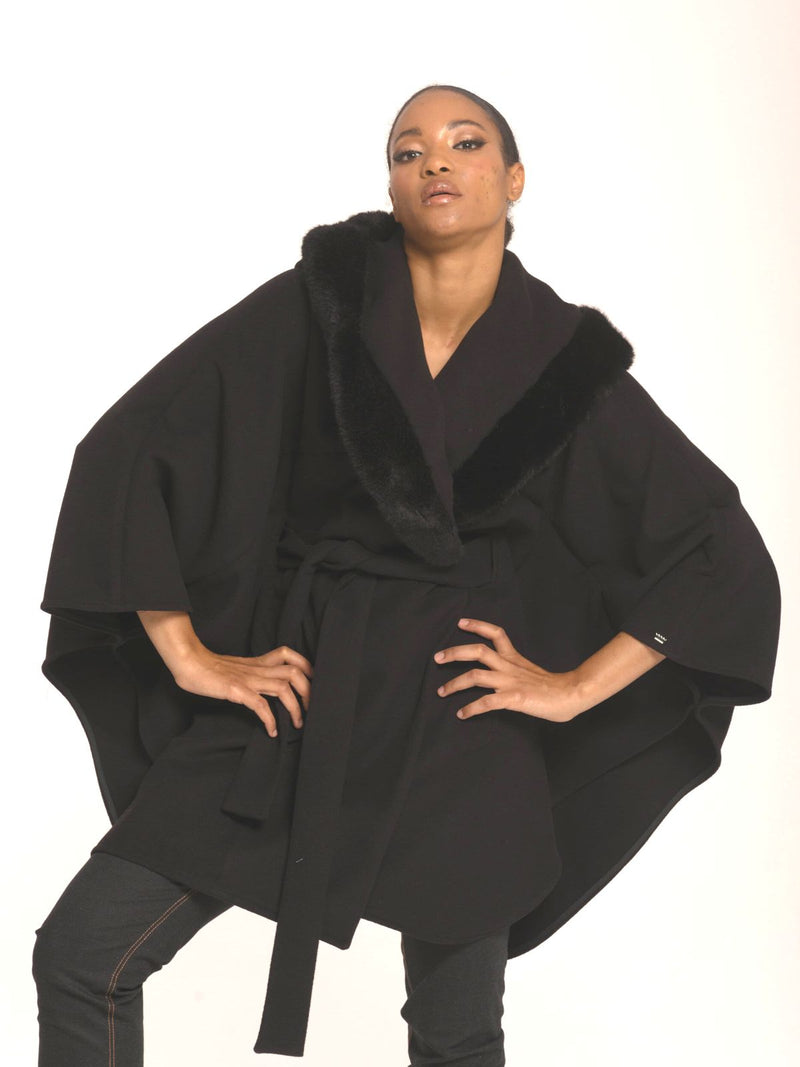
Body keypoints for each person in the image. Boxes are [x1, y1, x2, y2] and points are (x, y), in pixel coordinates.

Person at [32, 84, 781, 1066]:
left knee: (455, 1033)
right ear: (390, 185)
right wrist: (185, 651)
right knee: (82, 956)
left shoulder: (563, 361)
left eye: (464, 143)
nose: (433, 161)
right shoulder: (323, 303)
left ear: (513, 179)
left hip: (460, 723)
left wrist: (571, 687)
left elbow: (713, 551)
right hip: (304, 691)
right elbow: (136, 447)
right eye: (406, 149)